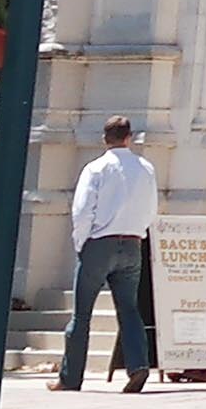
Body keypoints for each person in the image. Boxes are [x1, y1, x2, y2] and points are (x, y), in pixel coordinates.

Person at [56, 116, 159, 393]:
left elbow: (82, 211)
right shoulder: (146, 168)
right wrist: (139, 231)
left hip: (100, 242)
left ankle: (70, 377)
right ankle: (138, 365)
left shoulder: (96, 168)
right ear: (130, 137)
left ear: (105, 139)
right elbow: (151, 209)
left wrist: (81, 243)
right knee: (129, 309)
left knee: (82, 314)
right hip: (133, 242)